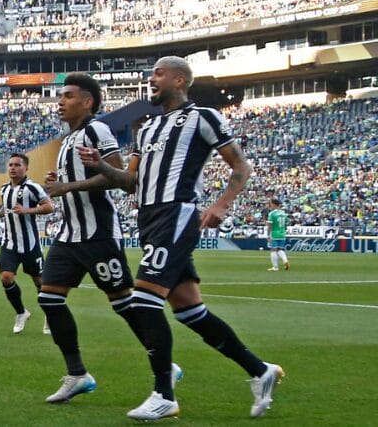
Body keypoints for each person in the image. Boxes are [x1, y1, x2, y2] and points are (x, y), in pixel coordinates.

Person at [81, 57, 283, 420]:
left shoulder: (203, 117)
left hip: (176, 214)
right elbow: (130, 183)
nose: (151, 78)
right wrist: (101, 165)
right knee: (191, 311)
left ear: (179, 80)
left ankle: (164, 394)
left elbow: (241, 164)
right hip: (149, 218)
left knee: (144, 300)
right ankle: (260, 370)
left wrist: (222, 204)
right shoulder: (146, 128)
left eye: (158, 73)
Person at [40, 73, 180, 406]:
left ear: (87, 101)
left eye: (68, 96)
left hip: (98, 234)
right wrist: (59, 181)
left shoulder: (97, 130)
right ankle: (77, 374)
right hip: (69, 234)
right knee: (49, 299)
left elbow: (117, 176)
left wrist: (67, 186)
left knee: (124, 304)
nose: (60, 102)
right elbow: (76, 180)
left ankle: (165, 365)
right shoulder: (68, 140)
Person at [0, 154, 53, 333]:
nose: (12, 168)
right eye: (10, 165)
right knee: (6, 277)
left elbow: (49, 206)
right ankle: (21, 312)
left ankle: (50, 316)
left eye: (17, 165)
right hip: (9, 243)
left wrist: (27, 210)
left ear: (26, 168)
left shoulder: (32, 188)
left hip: (30, 245)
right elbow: (7, 207)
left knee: (40, 282)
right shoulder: (4, 189)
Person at [265, 199, 290, 272]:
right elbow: (286, 224)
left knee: (273, 250)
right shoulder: (283, 213)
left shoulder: (272, 213)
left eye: (270, 204)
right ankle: (285, 260)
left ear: (274, 204)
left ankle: (275, 267)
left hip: (274, 233)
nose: (270, 205)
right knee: (280, 249)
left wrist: (268, 235)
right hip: (282, 234)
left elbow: (270, 224)